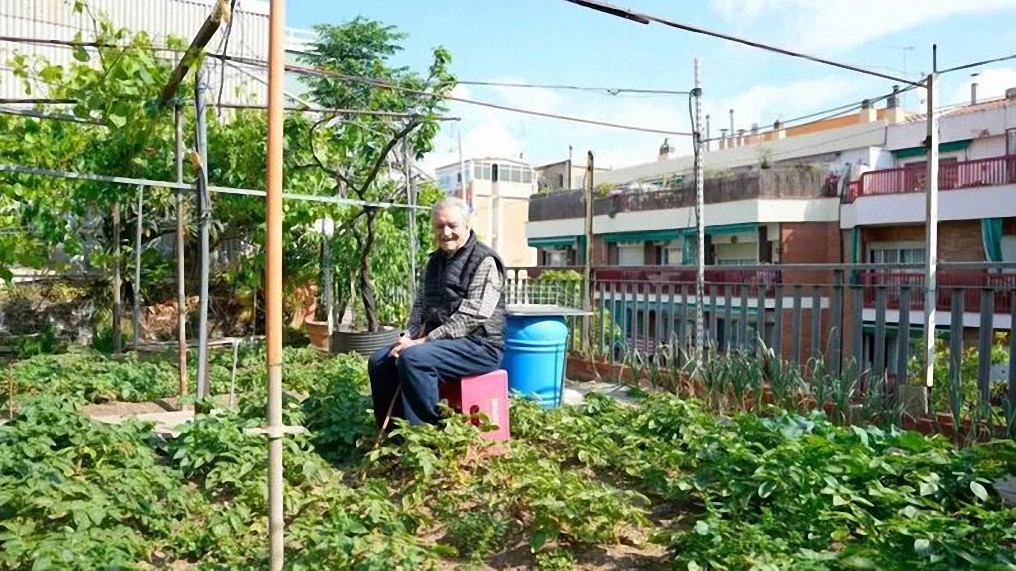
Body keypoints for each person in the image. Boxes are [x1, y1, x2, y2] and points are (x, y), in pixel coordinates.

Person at [368, 197, 505, 427]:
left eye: (452, 225)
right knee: (380, 360)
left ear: (467, 225)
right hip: (439, 343)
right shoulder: (435, 262)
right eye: (440, 226)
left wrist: (423, 341)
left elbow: (474, 316)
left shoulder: (485, 261)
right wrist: (409, 336)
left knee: (414, 358)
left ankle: (427, 434)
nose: (446, 232)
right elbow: (421, 305)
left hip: (479, 345)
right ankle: (395, 430)